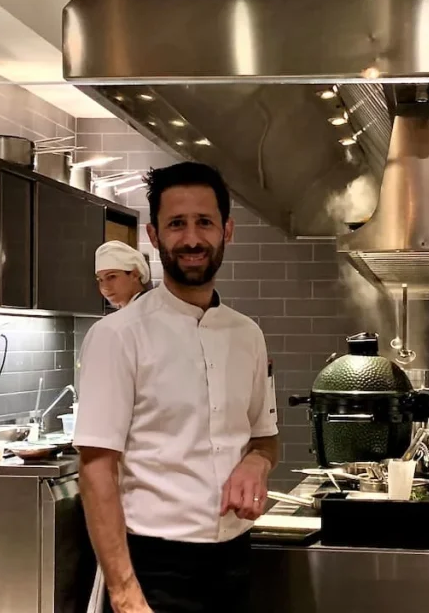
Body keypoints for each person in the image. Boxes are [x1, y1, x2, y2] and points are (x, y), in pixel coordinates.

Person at [75, 162, 279, 613]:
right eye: (176, 224)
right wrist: (126, 595)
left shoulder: (248, 334)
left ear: (227, 230)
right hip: (153, 570)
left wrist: (257, 464)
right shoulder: (118, 336)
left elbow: (265, 437)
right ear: (153, 234)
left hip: (234, 563)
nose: (191, 239)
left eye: (204, 222)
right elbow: (96, 469)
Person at [86, 240, 155, 613]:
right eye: (100, 280)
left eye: (112, 277)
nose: (106, 288)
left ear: (137, 275)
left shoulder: (133, 327)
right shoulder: (112, 329)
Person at [95, 240, 152, 309]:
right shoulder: (126, 313)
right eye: (100, 280)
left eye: (111, 276)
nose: (105, 288)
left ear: (135, 274)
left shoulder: (150, 309)